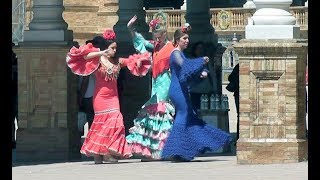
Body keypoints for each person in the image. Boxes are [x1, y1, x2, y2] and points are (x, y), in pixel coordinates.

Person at [66, 28, 152, 164]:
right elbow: (83, 56)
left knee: (116, 120)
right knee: (102, 125)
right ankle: (99, 154)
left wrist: (139, 61)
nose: (115, 51)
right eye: (112, 48)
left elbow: (131, 61)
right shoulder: (97, 60)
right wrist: (101, 52)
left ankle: (108, 152)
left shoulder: (117, 61)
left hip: (113, 98)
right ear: (106, 48)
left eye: (115, 48)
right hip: (100, 98)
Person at [161, 27, 233, 162]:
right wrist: (201, 61)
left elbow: (188, 71)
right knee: (183, 116)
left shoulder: (181, 53)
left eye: (188, 38)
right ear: (177, 40)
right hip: (177, 90)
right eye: (184, 38)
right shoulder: (175, 53)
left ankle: (183, 150)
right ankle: (176, 150)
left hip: (182, 89)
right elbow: (185, 66)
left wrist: (201, 74)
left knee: (190, 117)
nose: (187, 41)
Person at [125, 13, 176, 160]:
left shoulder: (171, 47)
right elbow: (140, 41)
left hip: (165, 81)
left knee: (161, 111)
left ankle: (164, 149)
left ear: (165, 34)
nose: (157, 39)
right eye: (155, 36)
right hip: (155, 82)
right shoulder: (155, 47)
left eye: (159, 36)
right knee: (152, 112)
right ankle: (152, 150)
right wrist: (130, 29)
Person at [189, 42, 215, 110]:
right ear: (195, 50)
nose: (200, 50)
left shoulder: (207, 62)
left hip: (206, 91)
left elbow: (212, 76)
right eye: (198, 48)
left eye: (202, 49)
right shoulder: (191, 62)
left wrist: (214, 88)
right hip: (194, 91)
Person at [226, 63, 239, 141]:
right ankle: (239, 137)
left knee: (240, 116)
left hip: (238, 94)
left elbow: (230, 77)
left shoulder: (238, 66)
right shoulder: (238, 66)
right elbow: (230, 77)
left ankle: (239, 137)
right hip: (239, 94)